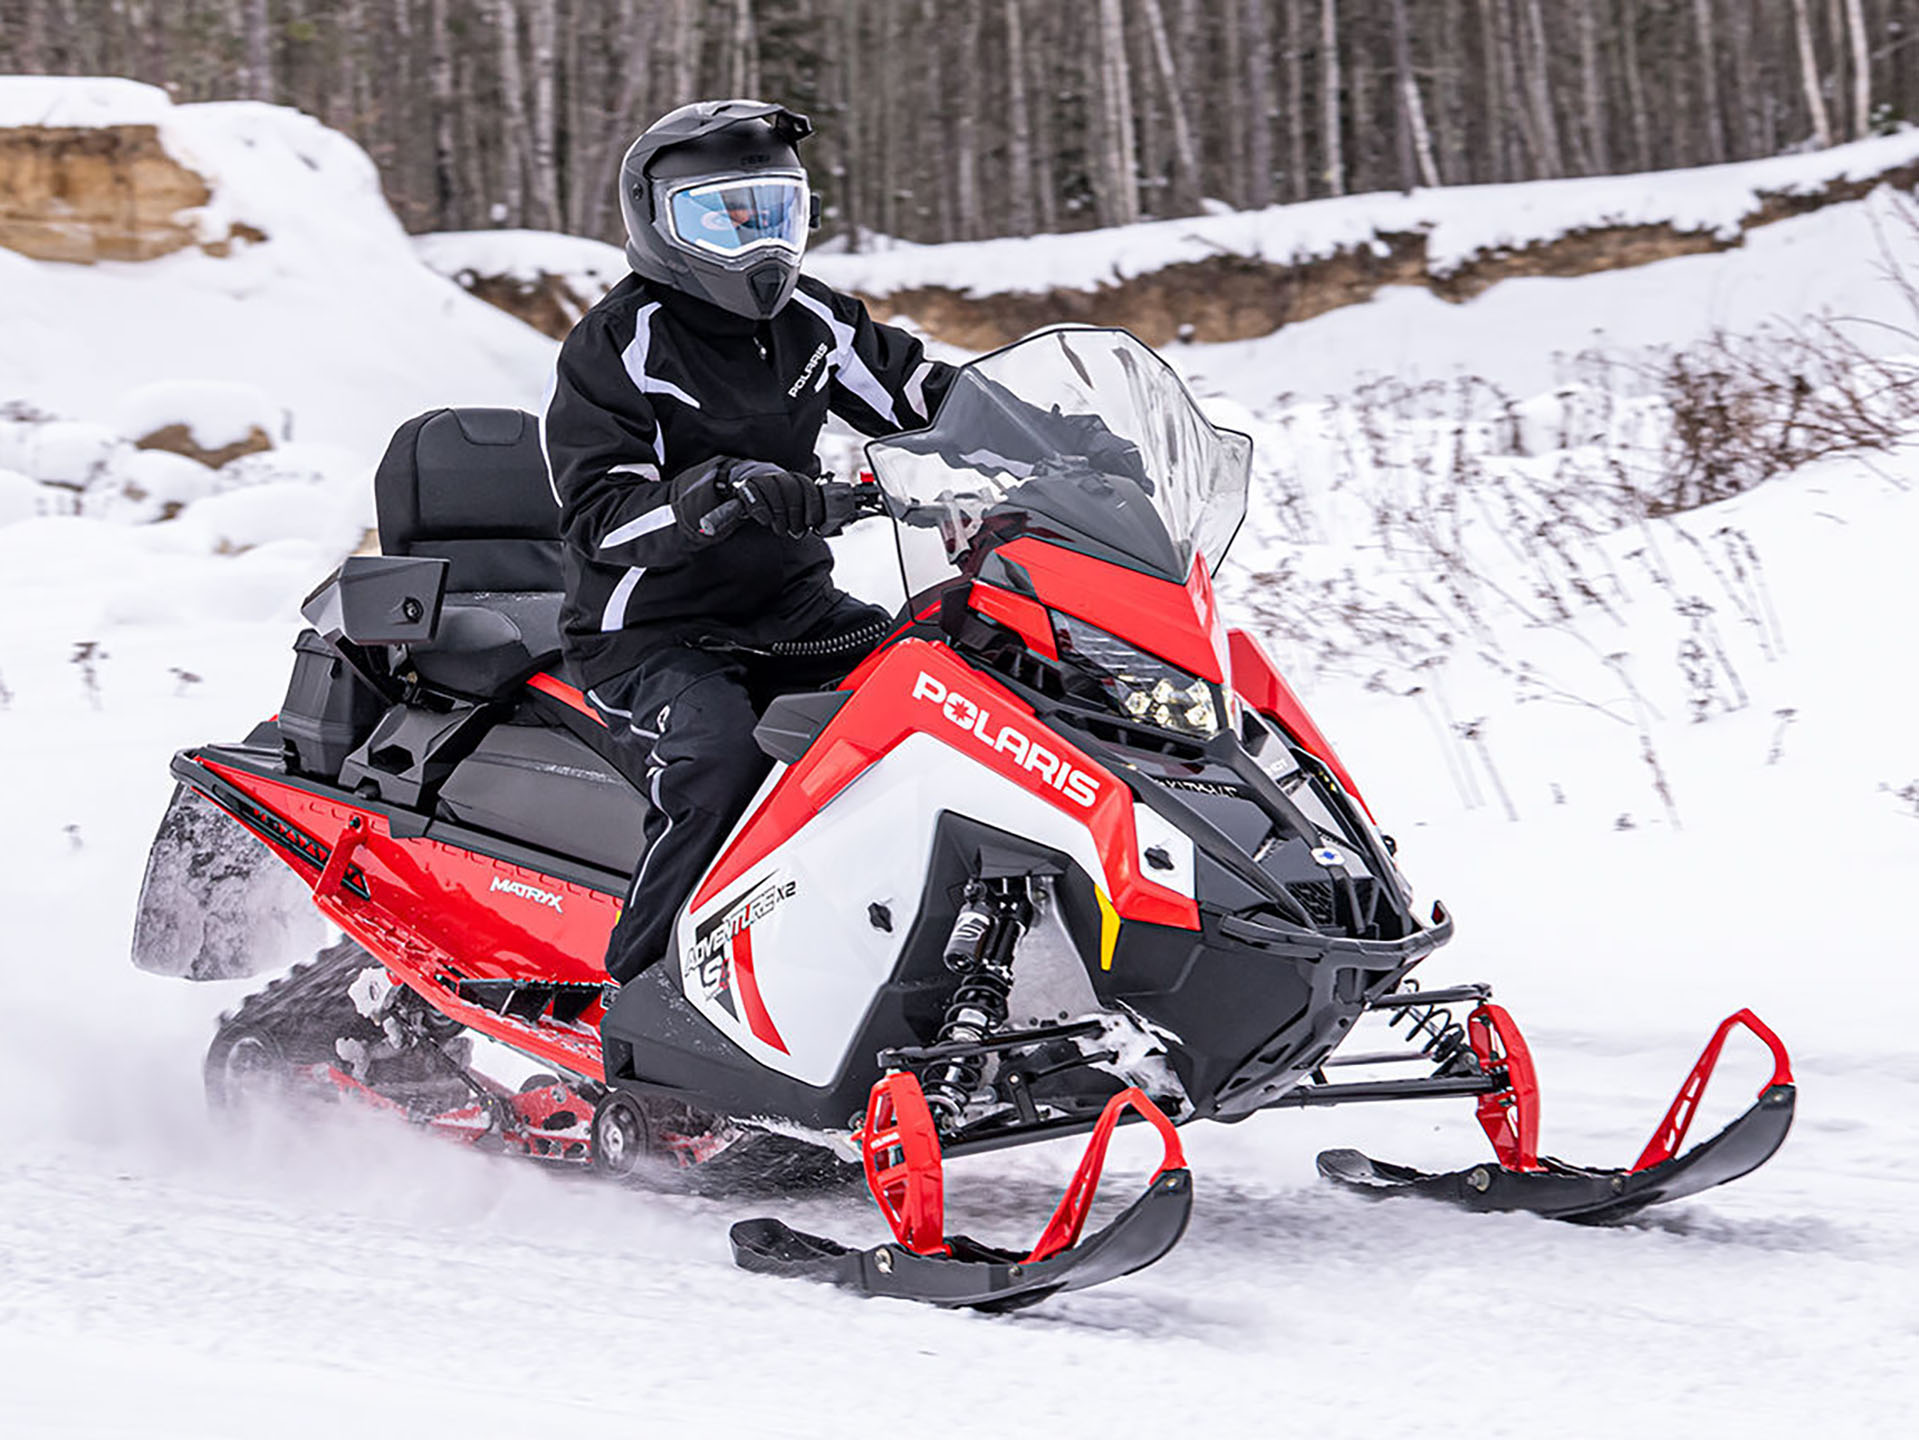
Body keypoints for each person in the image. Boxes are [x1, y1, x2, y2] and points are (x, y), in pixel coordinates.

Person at [543, 99, 956, 985]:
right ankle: (648, 997)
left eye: (774, 213)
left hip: (793, 606)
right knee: (721, 756)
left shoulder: (814, 318)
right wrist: (718, 493)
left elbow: (926, 398)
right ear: (658, 222)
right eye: (724, 218)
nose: (759, 244)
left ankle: (934, 948)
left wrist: (1060, 438)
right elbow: (599, 517)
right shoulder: (619, 344)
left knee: (951, 689)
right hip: (650, 632)